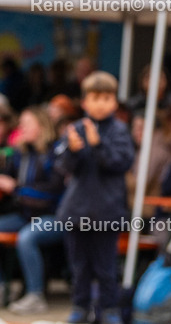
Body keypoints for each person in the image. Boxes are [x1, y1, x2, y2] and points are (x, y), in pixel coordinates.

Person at [54, 71, 135, 324]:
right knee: (79, 266)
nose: (101, 103)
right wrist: (73, 151)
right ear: (84, 102)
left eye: (107, 97)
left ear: (114, 102)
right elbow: (61, 166)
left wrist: (98, 145)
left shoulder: (120, 131)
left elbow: (122, 162)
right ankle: (80, 306)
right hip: (77, 211)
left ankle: (109, 309)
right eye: (95, 97)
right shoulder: (74, 129)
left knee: (106, 266)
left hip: (106, 212)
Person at [0, 107, 65, 314]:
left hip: (55, 216)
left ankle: (35, 296)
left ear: (41, 126)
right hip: (25, 214)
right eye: (21, 124)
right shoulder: (20, 153)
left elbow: (52, 193)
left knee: (27, 237)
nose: (22, 128)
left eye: (27, 123)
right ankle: (2, 287)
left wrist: (17, 188)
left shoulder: (54, 153)